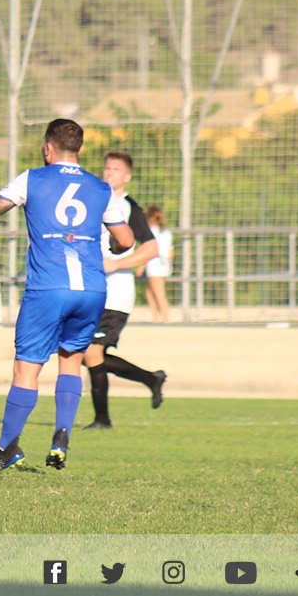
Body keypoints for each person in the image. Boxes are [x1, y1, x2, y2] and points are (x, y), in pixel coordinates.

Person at [0, 119, 133, 475]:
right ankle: (60, 439)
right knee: (71, 360)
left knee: (27, 367)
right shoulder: (101, 188)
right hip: (90, 290)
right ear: (80, 150)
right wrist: (113, 242)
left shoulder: (32, 178)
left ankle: (5, 449)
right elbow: (126, 241)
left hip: (48, 287)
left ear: (47, 148)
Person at [82, 152, 166, 431]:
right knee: (87, 354)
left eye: (116, 170)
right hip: (90, 291)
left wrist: (116, 263)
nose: (109, 173)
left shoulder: (130, 208)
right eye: (106, 168)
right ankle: (150, 378)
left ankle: (102, 420)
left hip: (116, 295)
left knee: (92, 353)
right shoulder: (95, 201)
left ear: (126, 176)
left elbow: (151, 248)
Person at [141, 205, 173, 323]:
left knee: (159, 293)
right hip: (163, 264)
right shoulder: (165, 232)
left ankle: (165, 319)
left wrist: (141, 265)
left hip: (154, 264)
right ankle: (155, 317)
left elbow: (147, 250)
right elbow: (170, 250)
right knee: (150, 291)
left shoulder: (151, 232)